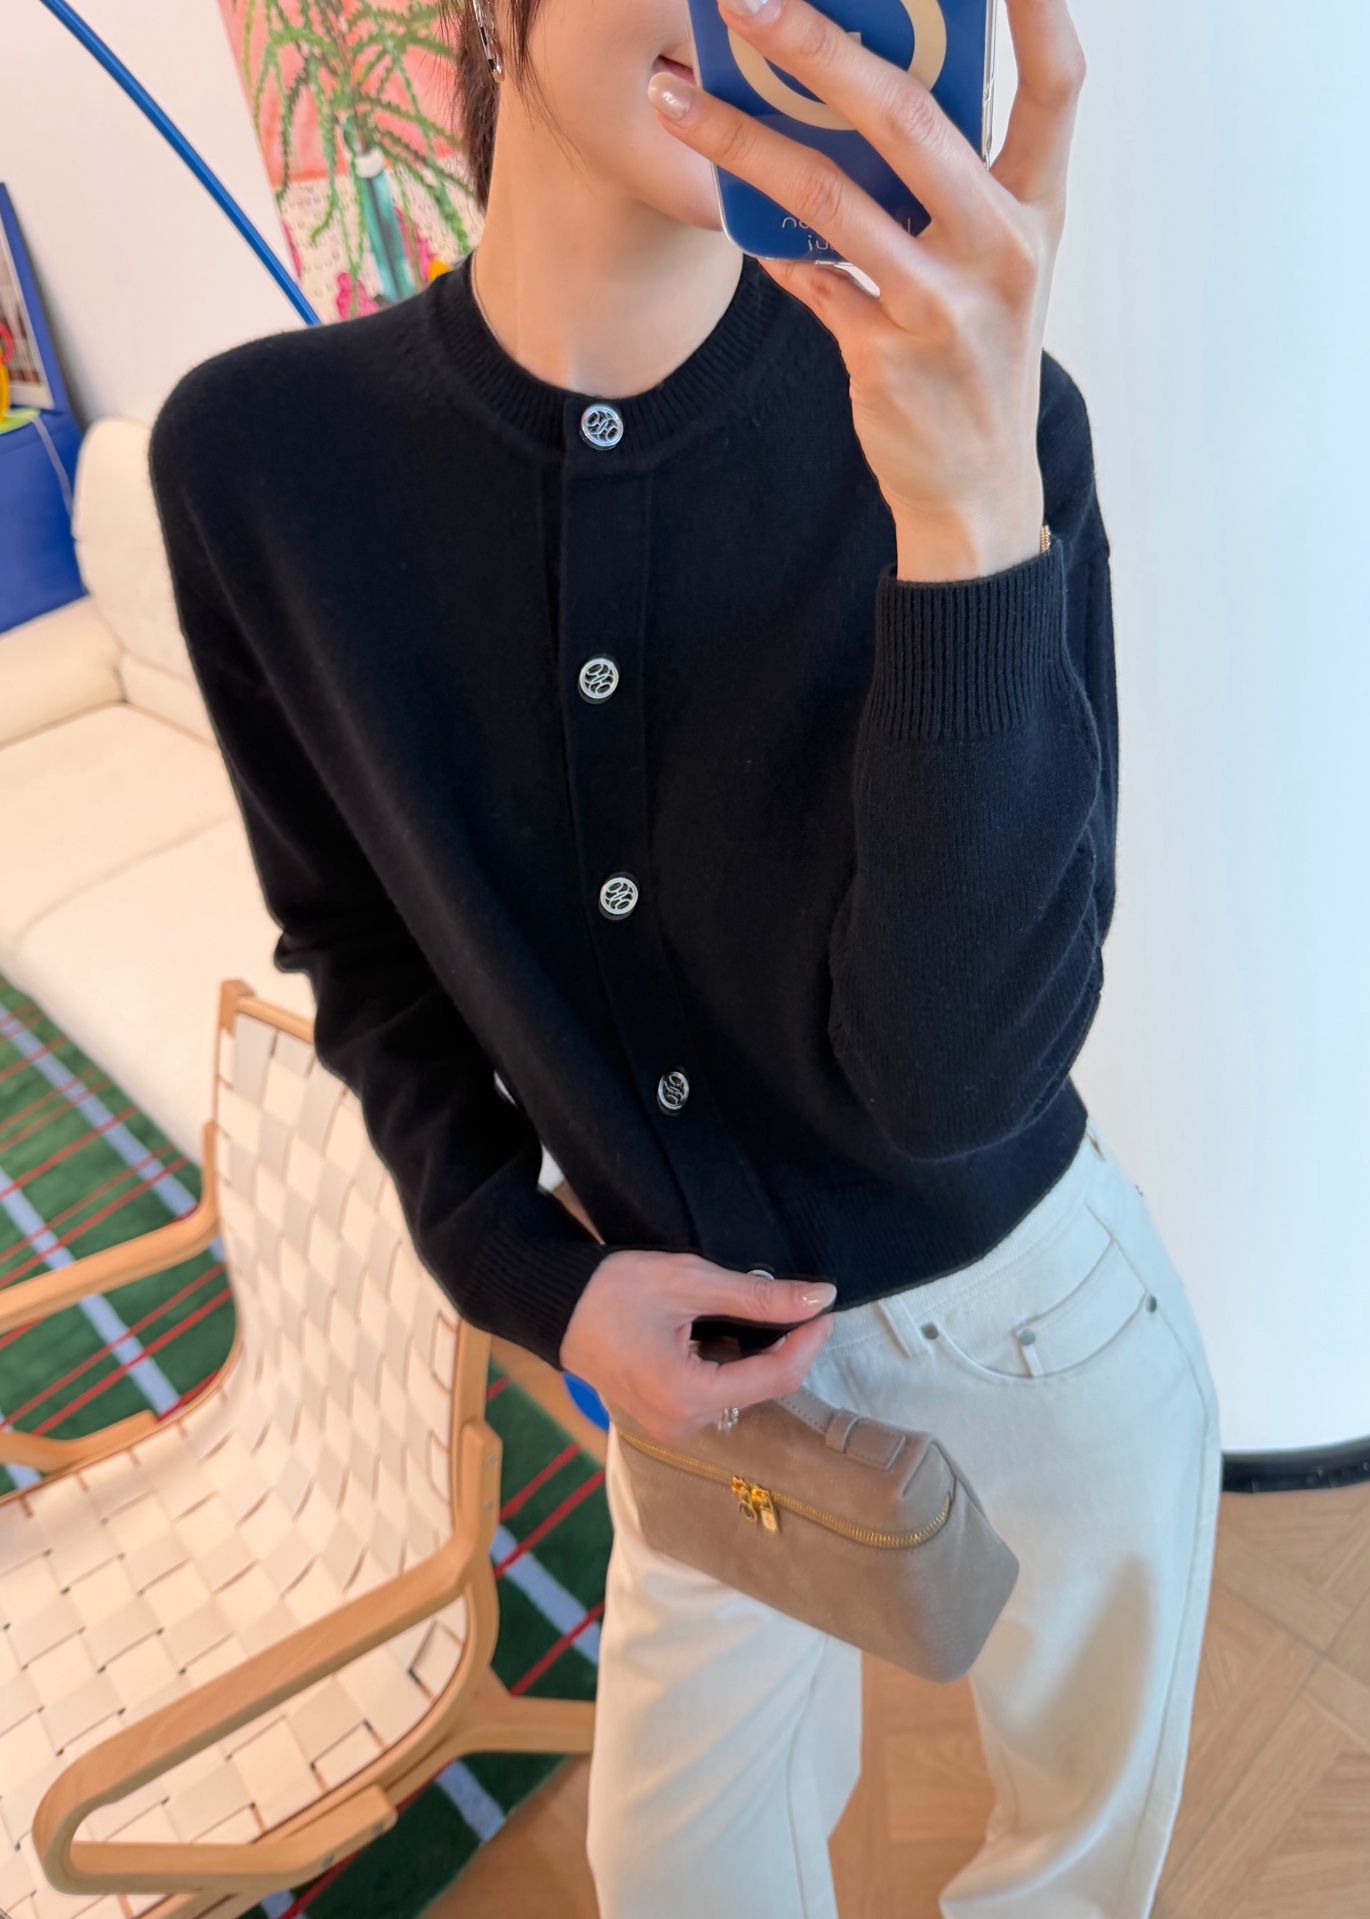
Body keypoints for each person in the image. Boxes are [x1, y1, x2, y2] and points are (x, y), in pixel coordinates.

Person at [149, 0, 1221, 1912]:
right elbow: (358, 948)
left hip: (1040, 1327)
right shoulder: (261, 466)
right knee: (675, 1876)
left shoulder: (992, 419)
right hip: (693, 1378)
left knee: (1074, 1865)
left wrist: (973, 513)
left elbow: (958, 1083)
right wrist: (533, 1278)